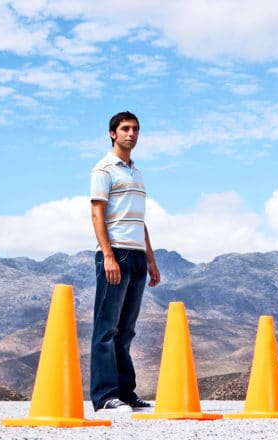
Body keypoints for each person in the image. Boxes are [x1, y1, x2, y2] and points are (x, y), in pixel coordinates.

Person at [89, 111, 161, 412]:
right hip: (115, 253)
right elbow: (97, 213)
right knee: (106, 329)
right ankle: (105, 396)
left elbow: (139, 221)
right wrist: (108, 255)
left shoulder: (137, 173)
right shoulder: (104, 170)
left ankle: (126, 393)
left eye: (135, 129)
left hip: (136, 256)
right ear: (112, 133)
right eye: (125, 129)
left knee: (127, 329)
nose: (131, 134)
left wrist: (151, 259)